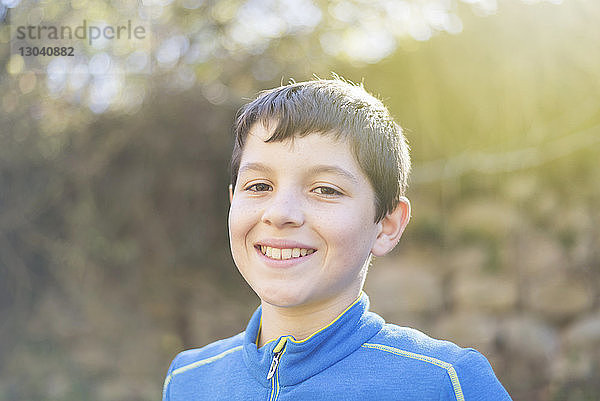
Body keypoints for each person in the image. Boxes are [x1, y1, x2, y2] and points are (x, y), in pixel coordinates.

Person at [162, 78, 512, 400]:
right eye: (259, 186)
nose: (280, 213)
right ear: (232, 202)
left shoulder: (447, 382)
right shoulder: (188, 379)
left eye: (325, 189)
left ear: (387, 225)